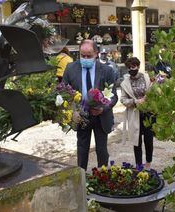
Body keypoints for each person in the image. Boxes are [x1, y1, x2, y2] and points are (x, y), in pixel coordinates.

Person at [63, 39, 118, 170]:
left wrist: (103, 108)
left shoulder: (106, 70)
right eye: (83, 56)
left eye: (89, 56)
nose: (85, 58)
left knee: (102, 150)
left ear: (96, 54)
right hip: (81, 117)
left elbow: (113, 96)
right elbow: (64, 92)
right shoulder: (71, 68)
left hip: (101, 117)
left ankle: (102, 177)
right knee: (82, 150)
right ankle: (81, 179)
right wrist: (72, 110)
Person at [120, 57, 154, 170]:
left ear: (138, 66)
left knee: (149, 140)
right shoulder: (125, 83)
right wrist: (135, 101)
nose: (131, 69)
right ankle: (139, 165)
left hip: (148, 113)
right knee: (136, 140)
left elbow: (154, 92)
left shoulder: (147, 77)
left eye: (133, 67)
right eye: (129, 68)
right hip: (135, 114)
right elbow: (123, 100)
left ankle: (148, 163)